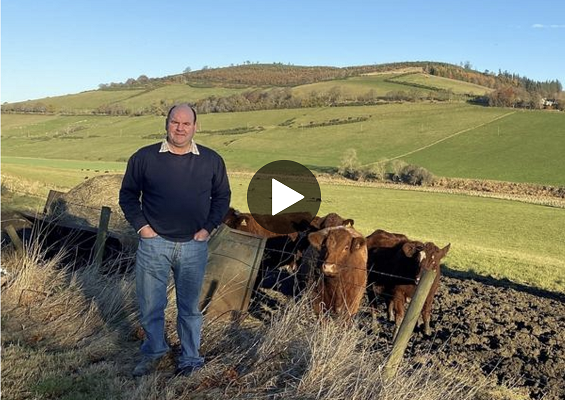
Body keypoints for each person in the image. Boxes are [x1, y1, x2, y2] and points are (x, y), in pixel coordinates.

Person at [119, 103, 231, 377]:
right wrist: (143, 228)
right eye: (174, 122)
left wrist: (207, 229)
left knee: (190, 308)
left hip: (194, 246)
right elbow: (128, 196)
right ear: (166, 123)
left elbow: (222, 197)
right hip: (153, 244)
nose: (180, 128)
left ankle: (190, 359)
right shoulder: (144, 158)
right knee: (150, 304)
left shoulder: (211, 160)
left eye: (186, 123)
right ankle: (155, 351)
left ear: (196, 126)